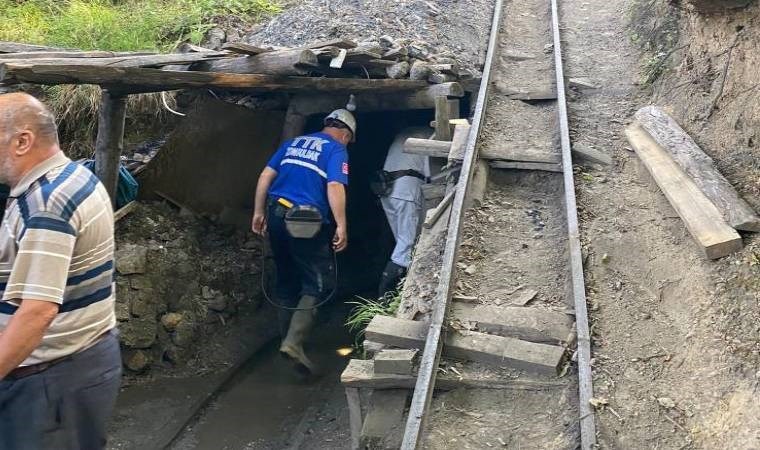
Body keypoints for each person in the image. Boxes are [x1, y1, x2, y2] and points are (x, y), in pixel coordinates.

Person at [0, 93, 121, 449]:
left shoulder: (47, 205)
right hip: (79, 364)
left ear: (22, 141)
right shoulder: (73, 177)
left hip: (51, 382)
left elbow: (37, 312)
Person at [252, 109, 355, 375]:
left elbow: (265, 175)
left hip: (275, 212)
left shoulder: (293, 143)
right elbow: (335, 186)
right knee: (319, 282)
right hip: (305, 221)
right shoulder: (336, 150)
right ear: (345, 135)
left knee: (286, 277)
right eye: (349, 140)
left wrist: (258, 211)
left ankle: (286, 341)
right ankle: (294, 343)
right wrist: (342, 224)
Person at [377, 127, 431, 299]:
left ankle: (391, 293)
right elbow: (431, 173)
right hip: (406, 191)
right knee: (406, 244)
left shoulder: (400, 134)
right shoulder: (429, 136)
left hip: (386, 190)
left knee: (401, 242)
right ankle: (387, 295)